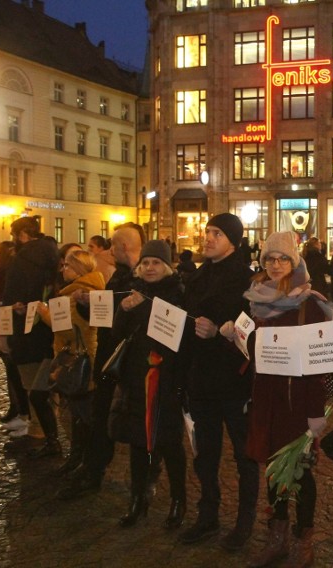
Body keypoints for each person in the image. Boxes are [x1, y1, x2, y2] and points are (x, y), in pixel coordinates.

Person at [220, 230, 332, 568]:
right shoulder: (257, 300)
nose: (275, 264)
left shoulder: (309, 302)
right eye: (270, 258)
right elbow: (256, 353)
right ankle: (278, 536)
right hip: (266, 399)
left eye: (283, 258)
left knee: (300, 473)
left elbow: (318, 362)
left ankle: (303, 539)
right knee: (273, 471)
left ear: (295, 261)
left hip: (297, 402)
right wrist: (234, 337)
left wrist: (315, 414)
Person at [178, 213, 258, 549]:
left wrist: (219, 334)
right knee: (205, 453)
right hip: (201, 381)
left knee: (244, 456)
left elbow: (251, 332)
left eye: (217, 234)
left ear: (234, 241)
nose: (208, 238)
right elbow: (186, 322)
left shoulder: (248, 281)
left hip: (234, 382)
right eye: (208, 232)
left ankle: (244, 523)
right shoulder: (198, 276)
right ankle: (207, 515)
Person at [57, 222, 145, 500]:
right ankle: (93, 469)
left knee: (131, 422)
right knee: (100, 415)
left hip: (131, 363)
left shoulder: (143, 277)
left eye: (112, 245)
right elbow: (105, 319)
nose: (109, 250)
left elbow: (133, 322)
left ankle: (142, 486)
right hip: (108, 358)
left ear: (124, 247)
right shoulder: (118, 276)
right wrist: (87, 304)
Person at [108, 240, 187, 529]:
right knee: (138, 442)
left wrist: (141, 309)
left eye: (156, 263)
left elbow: (169, 337)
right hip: (135, 379)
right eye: (146, 263)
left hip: (166, 381)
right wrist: (123, 311)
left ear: (167, 267)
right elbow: (117, 336)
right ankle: (137, 498)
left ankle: (179, 500)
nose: (150, 268)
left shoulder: (178, 294)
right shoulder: (134, 293)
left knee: (169, 443)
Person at [36, 251, 105, 476]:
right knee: (79, 414)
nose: (63, 269)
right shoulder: (86, 290)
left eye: (67, 266)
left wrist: (43, 312)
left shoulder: (78, 295)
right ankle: (79, 459)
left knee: (82, 414)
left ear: (79, 270)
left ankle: (84, 461)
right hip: (85, 355)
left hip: (79, 360)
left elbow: (65, 328)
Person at [1, 216, 61, 457]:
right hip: (48, 325)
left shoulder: (22, 259)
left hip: (26, 328)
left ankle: (38, 432)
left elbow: (12, 295)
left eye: (16, 235)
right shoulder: (53, 253)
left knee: (30, 383)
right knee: (45, 383)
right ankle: (44, 429)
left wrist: (10, 312)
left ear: (23, 235)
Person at [0, 241, 30, 433]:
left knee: (11, 364)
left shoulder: (1, 270)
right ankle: (18, 408)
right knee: (11, 364)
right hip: (4, 317)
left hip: (3, 317)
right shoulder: (8, 270)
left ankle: (19, 408)